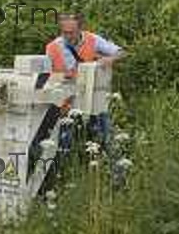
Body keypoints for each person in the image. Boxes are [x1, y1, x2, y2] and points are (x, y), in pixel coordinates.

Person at [45, 13, 122, 147]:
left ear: (80, 29)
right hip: (66, 102)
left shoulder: (92, 39)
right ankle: (68, 164)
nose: (68, 36)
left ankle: (111, 163)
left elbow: (120, 52)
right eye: (65, 33)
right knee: (65, 142)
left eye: (71, 33)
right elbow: (46, 77)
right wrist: (63, 76)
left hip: (93, 97)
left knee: (105, 136)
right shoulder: (52, 47)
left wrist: (109, 59)